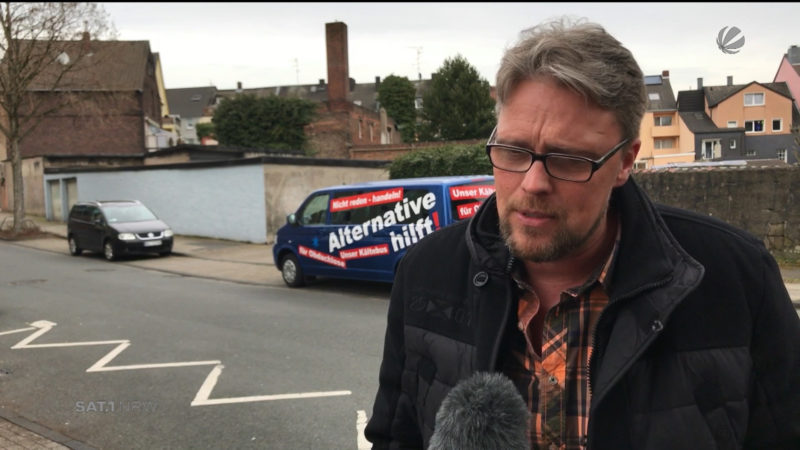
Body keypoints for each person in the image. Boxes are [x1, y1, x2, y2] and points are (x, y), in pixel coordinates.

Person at [365, 17, 800, 450]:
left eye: (570, 159)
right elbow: (394, 436)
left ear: (625, 162)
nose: (533, 183)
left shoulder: (736, 281)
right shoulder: (425, 273)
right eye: (514, 151)